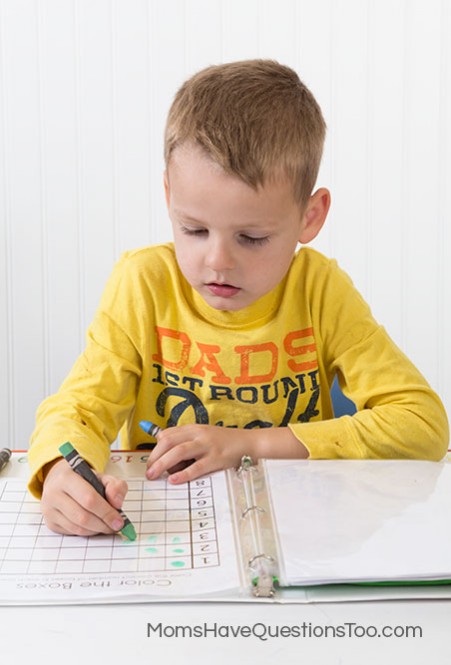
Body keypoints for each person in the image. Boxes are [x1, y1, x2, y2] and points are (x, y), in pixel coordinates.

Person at [28, 59, 449, 536]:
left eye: (251, 237)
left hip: (301, 534)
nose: (217, 262)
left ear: (310, 217)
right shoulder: (143, 284)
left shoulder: (320, 290)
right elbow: (78, 408)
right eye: (194, 229)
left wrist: (249, 443)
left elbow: (423, 424)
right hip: (176, 533)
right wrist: (57, 471)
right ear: (169, 196)